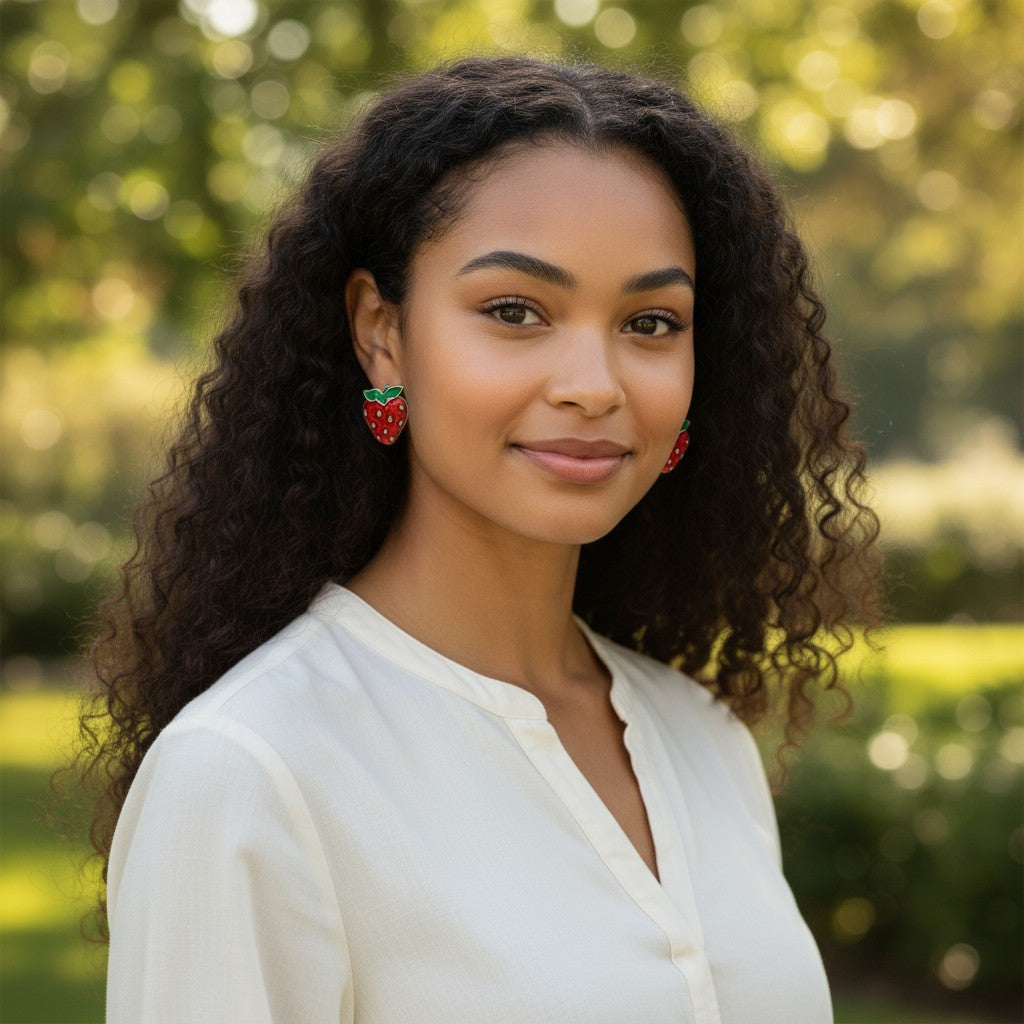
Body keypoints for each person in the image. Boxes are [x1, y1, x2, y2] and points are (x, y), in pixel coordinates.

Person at [80, 53, 881, 1023]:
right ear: (382, 332)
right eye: (515, 311)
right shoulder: (252, 772)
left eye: (651, 321)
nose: (595, 382)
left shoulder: (700, 735)